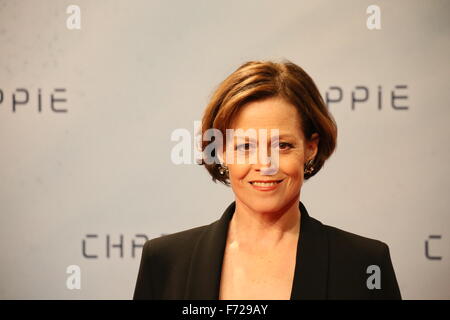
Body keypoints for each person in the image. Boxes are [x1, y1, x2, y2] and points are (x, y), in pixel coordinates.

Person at [133, 60, 402, 300]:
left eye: (282, 146)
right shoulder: (165, 261)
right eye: (245, 147)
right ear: (221, 151)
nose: (265, 164)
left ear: (311, 148)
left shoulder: (364, 263)